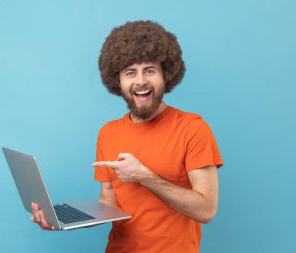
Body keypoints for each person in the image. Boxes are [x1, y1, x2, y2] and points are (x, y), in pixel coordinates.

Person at [31, 20, 223, 253]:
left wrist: (145, 176)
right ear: (118, 81)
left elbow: (206, 210)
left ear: (165, 76)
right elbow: (108, 202)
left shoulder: (192, 128)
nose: (140, 81)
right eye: (130, 73)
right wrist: (61, 221)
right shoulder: (108, 133)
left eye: (149, 70)